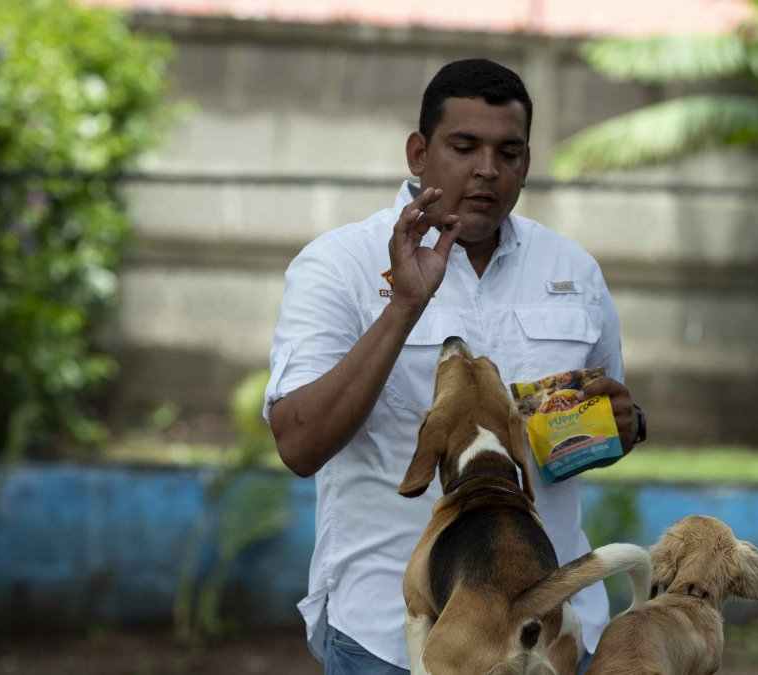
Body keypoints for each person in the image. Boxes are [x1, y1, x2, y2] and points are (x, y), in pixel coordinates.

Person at [263, 58, 646, 674]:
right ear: (419, 153)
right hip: (393, 638)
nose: (487, 170)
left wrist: (622, 426)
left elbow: (580, 434)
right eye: (464, 146)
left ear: (526, 162)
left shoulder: (574, 271)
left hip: (550, 637)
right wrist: (405, 308)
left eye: (509, 152)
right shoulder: (340, 266)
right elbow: (299, 444)